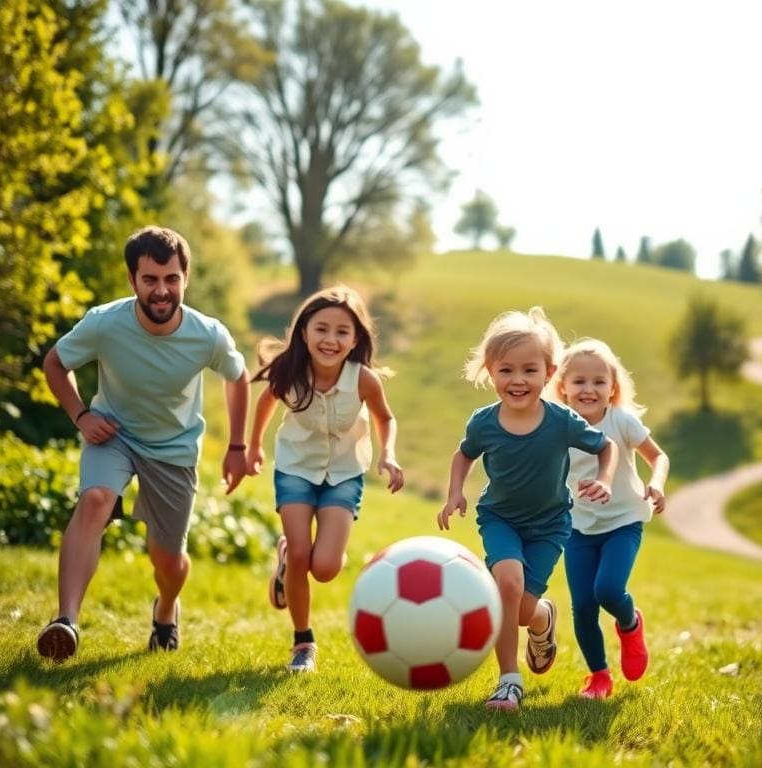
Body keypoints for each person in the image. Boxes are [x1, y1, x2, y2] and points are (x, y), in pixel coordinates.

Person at [36, 225, 250, 663]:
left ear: (185, 278)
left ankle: (166, 608)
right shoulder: (105, 323)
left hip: (174, 450)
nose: (161, 290)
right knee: (94, 500)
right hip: (113, 435)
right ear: (132, 279)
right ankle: (66, 621)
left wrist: (237, 447)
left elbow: (238, 377)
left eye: (171, 279)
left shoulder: (207, 334)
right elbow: (56, 363)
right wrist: (81, 415)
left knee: (167, 560)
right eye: (150, 279)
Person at [437, 307, 617, 711]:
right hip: (500, 519)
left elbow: (606, 446)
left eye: (529, 370)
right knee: (506, 584)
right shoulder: (483, 423)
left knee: (519, 611)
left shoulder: (562, 421)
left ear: (549, 373)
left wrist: (604, 479)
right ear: (491, 372)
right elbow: (464, 455)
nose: (517, 380)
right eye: (506, 370)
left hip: (549, 526)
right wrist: (455, 493)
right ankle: (508, 681)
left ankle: (542, 618)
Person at [246, 284, 404, 673]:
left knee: (326, 567)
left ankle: (287, 557)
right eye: (321, 329)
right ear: (304, 332)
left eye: (342, 332)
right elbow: (266, 401)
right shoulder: (289, 371)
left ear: (355, 340)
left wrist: (388, 454)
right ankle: (303, 643)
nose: (330, 339)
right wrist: (254, 447)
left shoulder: (363, 379)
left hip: (344, 474)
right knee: (302, 555)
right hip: (295, 468)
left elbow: (385, 418)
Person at [552, 338, 669, 699]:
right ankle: (599, 676)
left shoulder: (621, 421)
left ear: (612, 388)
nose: (589, 389)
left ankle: (630, 623)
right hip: (578, 528)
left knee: (607, 590)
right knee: (584, 606)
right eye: (579, 381)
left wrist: (656, 483)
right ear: (563, 387)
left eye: (599, 382)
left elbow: (658, 456)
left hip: (623, 522)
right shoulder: (556, 425)